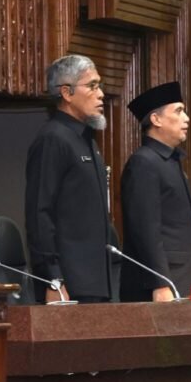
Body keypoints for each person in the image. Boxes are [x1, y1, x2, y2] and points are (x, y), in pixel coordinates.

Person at [25, 54, 118, 304]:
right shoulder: (53, 139)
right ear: (66, 93)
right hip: (69, 285)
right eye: (92, 86)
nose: (101, 94)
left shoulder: (86, 140)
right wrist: (53, 278)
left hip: (98, 280)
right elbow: (39, 214)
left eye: (99, 86)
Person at [120, 81, 191, 302]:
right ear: (156, 120)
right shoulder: (143, 162)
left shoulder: (170, 160)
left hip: (184, 275)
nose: (187, 119)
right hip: (163, 282)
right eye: (178, 111)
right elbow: (145, 229)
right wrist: (160, 282)